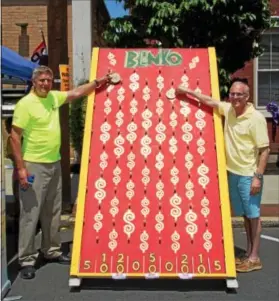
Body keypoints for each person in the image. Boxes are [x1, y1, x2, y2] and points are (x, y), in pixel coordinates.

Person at [10, 65, 117, 280]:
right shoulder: (25, 104)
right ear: (34, 82)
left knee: (53, 210)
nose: (45, 84)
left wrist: (99, 82)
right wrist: (21, 168)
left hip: (54, 163)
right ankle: (27, 259)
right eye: (41, 80)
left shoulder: (52, 98)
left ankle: (51, 250)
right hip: (34, 165)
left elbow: (76, 93)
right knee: (31, 213)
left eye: (48, 80)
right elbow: (14, 137)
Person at [176, 79, 270, 273]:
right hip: (233, 172)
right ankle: (248, 253)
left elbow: (265, 150)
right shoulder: (229, 110)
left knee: (254, 215)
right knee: (245, 214)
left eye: (239, 95)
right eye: (232, 94)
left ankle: (254, 257)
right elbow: (209, 101)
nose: (235, 98)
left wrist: (257, 178)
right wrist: (187, 90)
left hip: (248, 174)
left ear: (247, 96)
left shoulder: (256, 118)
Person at [5, 117, 20, 218]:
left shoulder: (11, 139)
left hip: (18, 173)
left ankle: (19, 215)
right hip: (27, 171)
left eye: (7, 127)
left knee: (18, 194)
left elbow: (11, 155)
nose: (5, 129)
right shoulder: (24, 138)